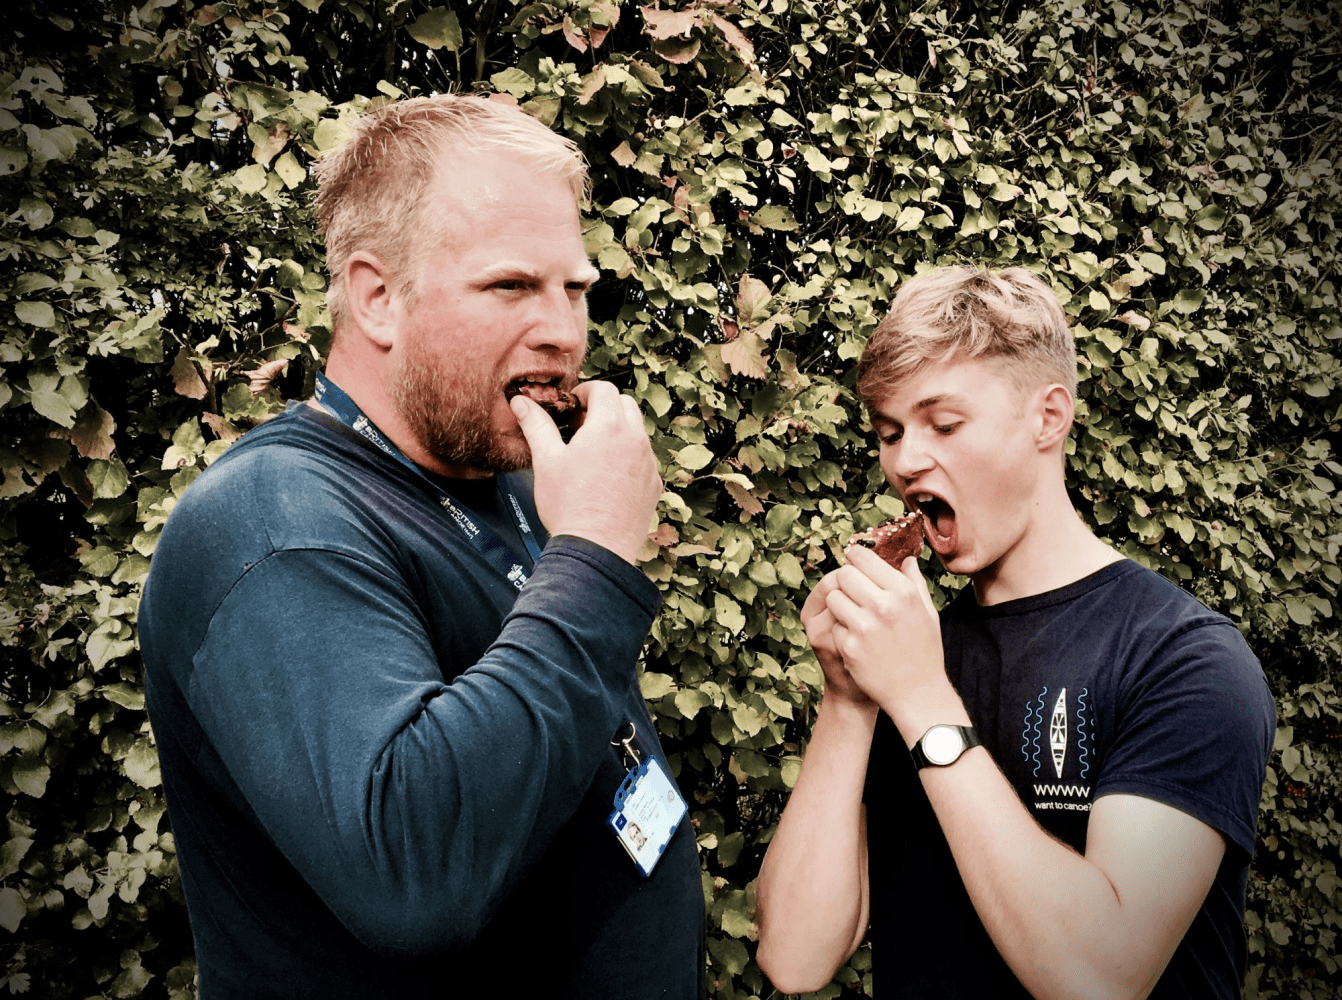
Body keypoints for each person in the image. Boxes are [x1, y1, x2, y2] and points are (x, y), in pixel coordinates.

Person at [139, 95, 704, 998]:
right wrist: (595, 552)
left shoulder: (507, 480)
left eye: (576, 289)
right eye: (512, 286)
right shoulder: (272, 525)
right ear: (376, 298)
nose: (563, 331)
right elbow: (414, 870)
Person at [755, 267, 1274, 999]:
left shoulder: (1185, 659)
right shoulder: (911, 655)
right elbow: (795, 958)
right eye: (890, 432)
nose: (905, 462)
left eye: (943, 423)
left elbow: (1100, 976)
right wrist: (847, 702)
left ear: (1048, 417)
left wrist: (923, 701)